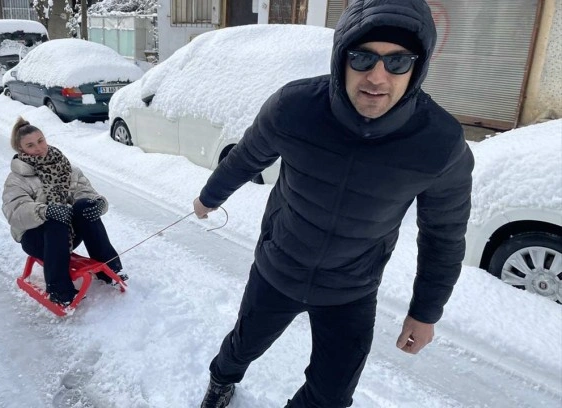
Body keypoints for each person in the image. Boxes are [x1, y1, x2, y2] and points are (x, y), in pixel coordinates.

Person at [194, 0, 474, 407]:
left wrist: (425, 311)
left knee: (332, 395)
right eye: (363, 58)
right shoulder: (295, 107)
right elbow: (247, 157)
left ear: (417, 67)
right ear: (341, 57)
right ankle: (222, 380)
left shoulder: (440, 143)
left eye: (397, 62)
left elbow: (444, 235)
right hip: (279, 269)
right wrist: (209, 197)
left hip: (352, 289)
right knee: (242, 346)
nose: (377, 77)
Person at [2, 117, 127, 306]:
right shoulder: (17, 179)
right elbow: (15, 212)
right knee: (55, 218)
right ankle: (59, 290)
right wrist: (45, 211)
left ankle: (110, 268)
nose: (39, 148)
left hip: (67, 235)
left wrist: (98, 204)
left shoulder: (66, 167)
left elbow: (85, 192)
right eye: (30, 145)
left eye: (40, 140)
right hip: (36, 239)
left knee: (85, 207)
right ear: (21, 150)